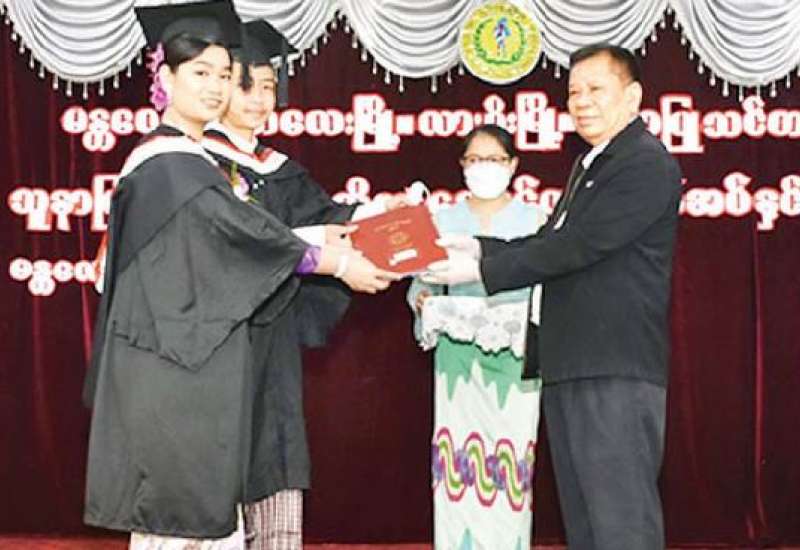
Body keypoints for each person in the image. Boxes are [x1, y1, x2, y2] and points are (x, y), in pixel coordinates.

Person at [82, 3, 399, 549]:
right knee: (180, 524)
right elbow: (238, 238)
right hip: (175, 376)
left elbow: (255, 234)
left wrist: (369, 224)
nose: (217, 87)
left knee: (205, 525)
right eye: (201, 73)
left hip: (195, 369)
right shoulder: (168, 165)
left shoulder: (190, 162)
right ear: (166, 78)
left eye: (224, 75)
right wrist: (337, 262)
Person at [423, 44, 683, 549]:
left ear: (632, 97)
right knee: (587, 525)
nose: (581, 102)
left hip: (612, 368)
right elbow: (549, 240)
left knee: (620, 524)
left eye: (595, 89)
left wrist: (481, 269)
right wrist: (478, 246)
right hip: (573, 364)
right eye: (573, 92)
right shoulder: (592, 163)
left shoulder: (644, 163)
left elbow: (579, 245)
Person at [199, 20, 406, 549]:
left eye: (269, 87)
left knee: (274, 448)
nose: (259, 99)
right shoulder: (197, 163)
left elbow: (323, 217)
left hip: (272, 342)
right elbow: (239, 246)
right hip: (219, 342)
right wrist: (327, 255)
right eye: (246, 85)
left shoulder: (279, 168)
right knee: (218, 462)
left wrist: (377, 214)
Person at [407, 124, 546, 549]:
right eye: (474, 159)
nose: (483, 167)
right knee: (458, 463)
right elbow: (421, 283)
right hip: (457, 358)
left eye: (494, 159)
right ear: (462, 165)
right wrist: (423, 299)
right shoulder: (442, 220)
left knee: (510, 465)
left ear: (513, 165)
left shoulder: (536, 220)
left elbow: (547, 287)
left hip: (516, 359)